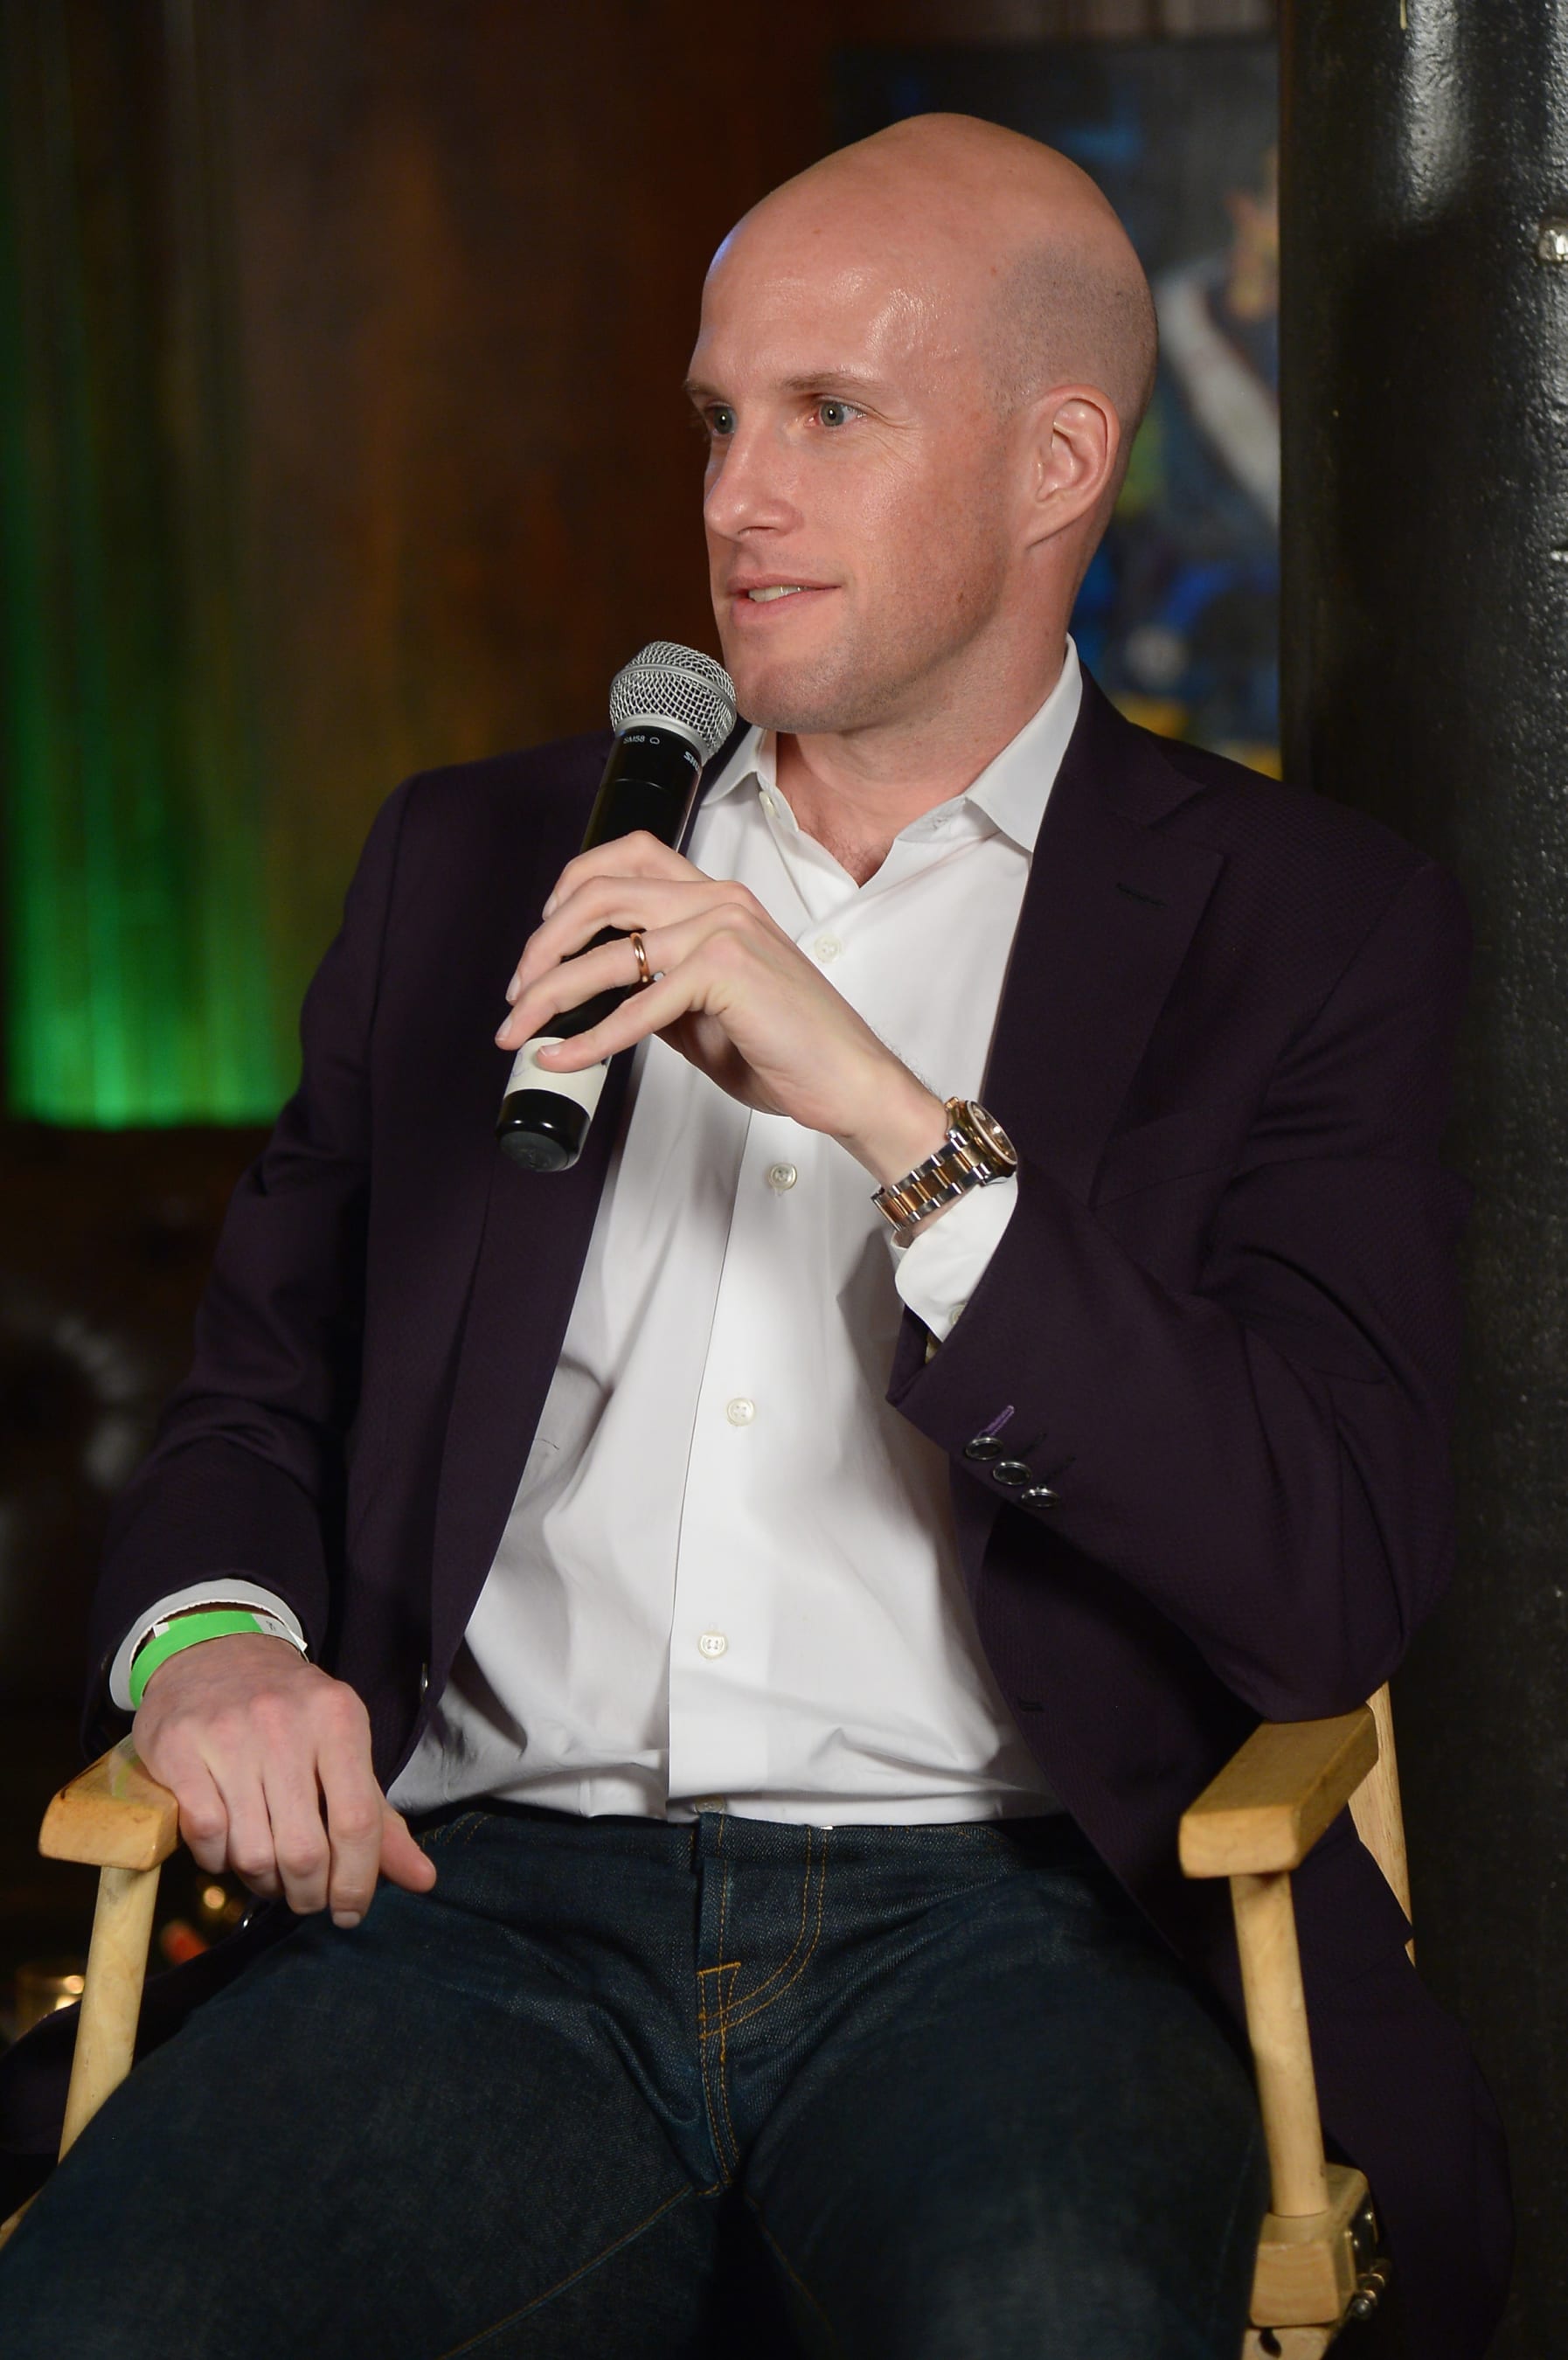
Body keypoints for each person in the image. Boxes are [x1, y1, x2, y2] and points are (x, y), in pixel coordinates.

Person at [0, 113, 1509, 2358]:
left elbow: (1326, 1573)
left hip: (1019, 1926)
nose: (734, 498)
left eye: (830, 416)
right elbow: (257, 1400)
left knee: (1053, 2318)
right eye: (721, 414)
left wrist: (899, 1121)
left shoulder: (1305, 928)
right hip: (473, 1902)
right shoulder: (468, 862)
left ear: (1057, 461)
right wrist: (204, 1646)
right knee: (120, 2314)